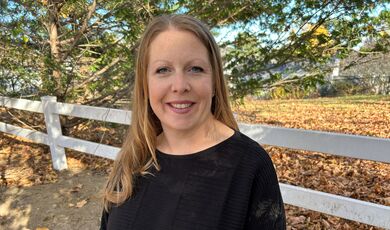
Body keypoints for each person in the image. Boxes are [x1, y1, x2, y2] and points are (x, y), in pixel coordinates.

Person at [100, 14, 286, 230]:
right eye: (163, 70)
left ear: (215, 81)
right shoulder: (133, 160)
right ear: (145, 85)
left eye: (195, 69)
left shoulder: (250, 165)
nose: (179, 86)